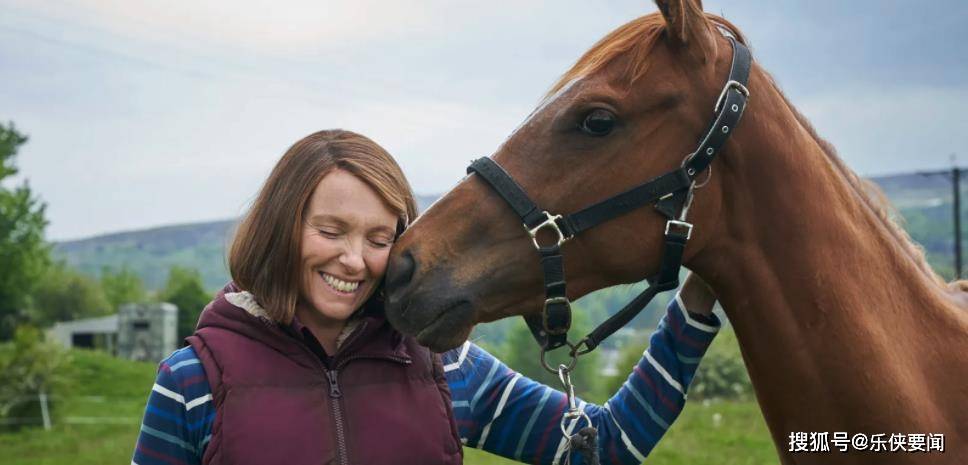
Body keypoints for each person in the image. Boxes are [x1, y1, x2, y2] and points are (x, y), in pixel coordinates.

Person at [132, 129, 722, 465]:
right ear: (281, 227)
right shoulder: (192, 383)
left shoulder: (447, 368)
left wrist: (693, 311)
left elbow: (605, 448)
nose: (353, 260)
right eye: (330, 231)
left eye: (379, 238)